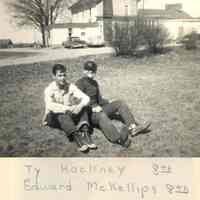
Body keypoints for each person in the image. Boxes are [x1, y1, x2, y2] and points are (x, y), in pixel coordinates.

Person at [76, 61, 151, 147]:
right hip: (89, 114)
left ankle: (133, 128)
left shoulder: (94, 83)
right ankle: (119, 139)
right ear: (84, 71)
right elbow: (77, 102)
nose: (90, 73)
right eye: (88, 70)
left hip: (99, 108)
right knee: (101, 116)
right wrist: (92, 108)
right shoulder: (79, 83)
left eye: (93, 71)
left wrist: (109, 101)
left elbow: (99, 100)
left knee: (120, 103)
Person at [43, 63, 97, 152]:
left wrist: (79, 106)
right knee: (61, 114)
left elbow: (86, 98)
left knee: (84, 108)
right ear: (53, 76)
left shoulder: (70, 86)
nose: (63, 78)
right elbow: (50, 106)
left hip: (68, 114)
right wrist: (68, 109)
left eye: (64, 75)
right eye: (59, 75)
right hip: (53, 117)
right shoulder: (49, 89)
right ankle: (76, 136)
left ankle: (85, 132)